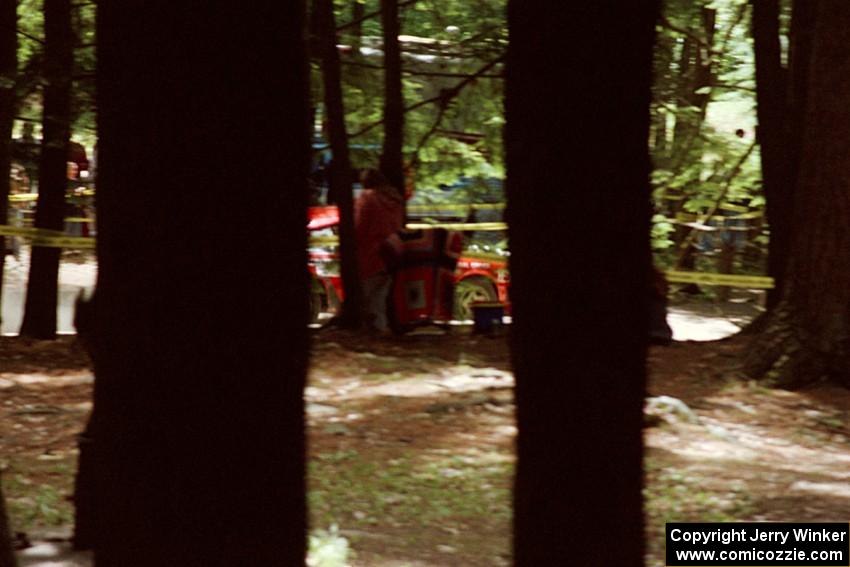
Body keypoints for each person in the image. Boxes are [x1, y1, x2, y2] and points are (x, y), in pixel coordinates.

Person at [355, 168, 404, 332]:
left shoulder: (366, 198)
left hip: (368, 255)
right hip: (390, 255)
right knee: (379, 301)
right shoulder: (395, 200)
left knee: (364, 301)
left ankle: (369, 337)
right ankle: (380, 333)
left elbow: (359, 227)